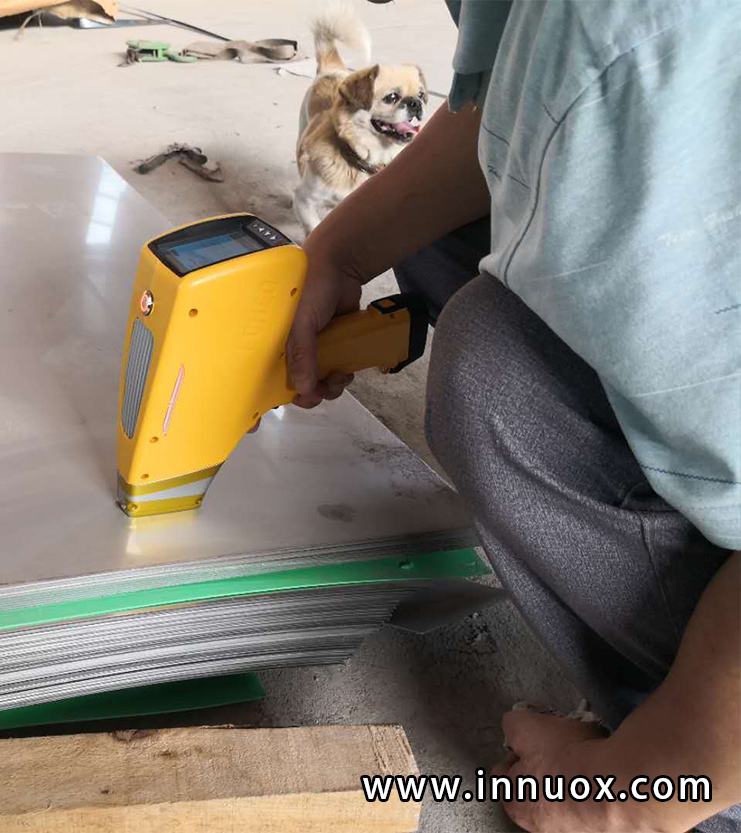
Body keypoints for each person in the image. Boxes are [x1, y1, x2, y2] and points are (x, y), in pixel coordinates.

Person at [285, 1, 740, 831]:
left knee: (498, 375)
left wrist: (632, 793)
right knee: (443, 228)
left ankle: (709, 769)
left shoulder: (643, 44)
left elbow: (589, 75)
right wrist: (342, 248)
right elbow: (511, 100)